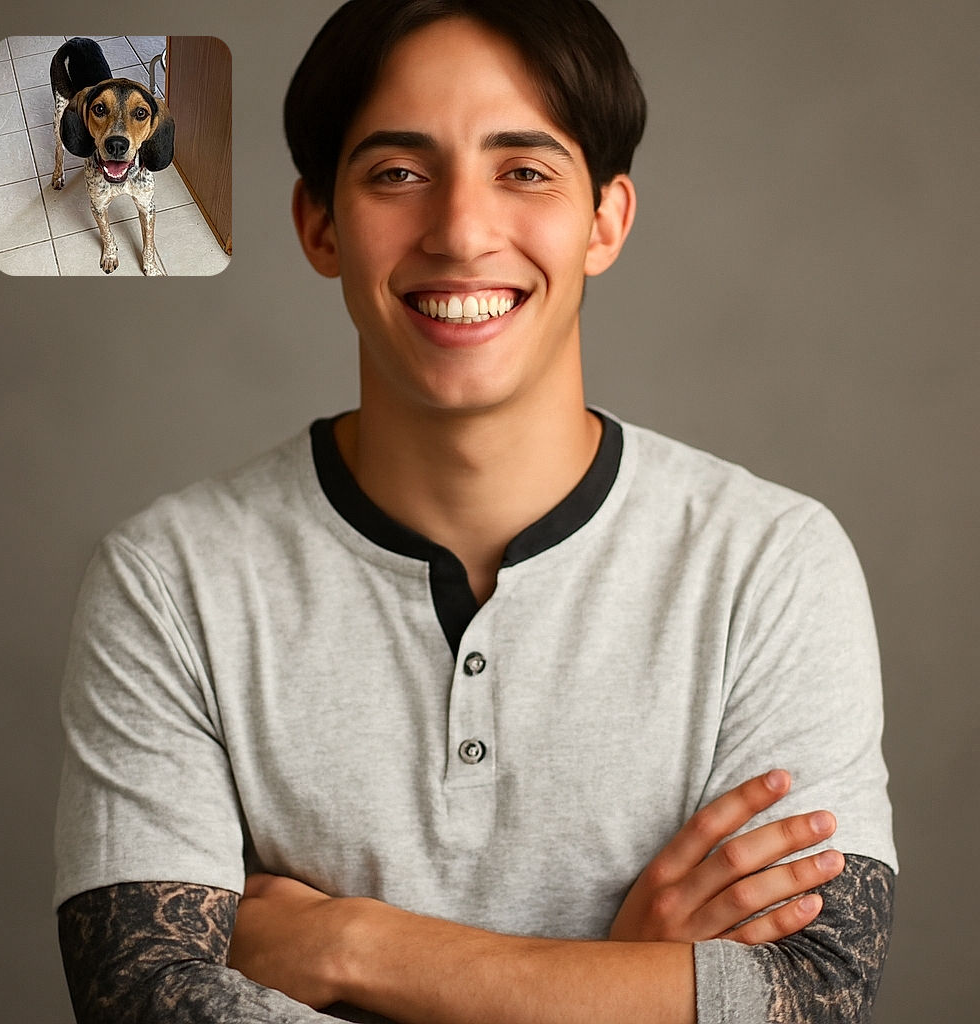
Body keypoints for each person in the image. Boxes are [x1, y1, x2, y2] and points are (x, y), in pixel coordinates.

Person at [54, 2, 897, 1021]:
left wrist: (358, 947)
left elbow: (815, 996)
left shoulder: (770, 564)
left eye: (525, 170)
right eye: (398, 173)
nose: (458, 231)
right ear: (318, 223)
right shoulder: (170, 580)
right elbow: (144, 998)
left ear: (605, 220)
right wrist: (620, 986)